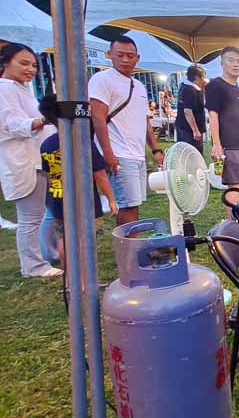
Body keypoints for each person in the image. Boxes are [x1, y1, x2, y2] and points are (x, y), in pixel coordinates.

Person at [88, 36, 165, 226]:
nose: (125, 60)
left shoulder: (138, 86)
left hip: (137, 154)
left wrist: (155, 149)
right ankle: (127, 250)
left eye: (130, 56)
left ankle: (131, 246)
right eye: (120, 55)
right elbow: (97, 117)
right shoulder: (101, 79)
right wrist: (108, 154)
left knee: (134, 203)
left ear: (137, 58)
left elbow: (144, 118)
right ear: (109, 55)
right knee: (127, 206)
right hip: (119, 153)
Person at [0, 42, 61, 278]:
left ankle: (49, 254)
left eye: (34, 65)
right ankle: (33, 266)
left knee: (48, 212)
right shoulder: (4, 89)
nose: (31, 69)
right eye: (24, 63)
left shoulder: (21, 89)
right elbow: (10, 124)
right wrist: (43, 120)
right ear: (6, 62)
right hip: (23, 161)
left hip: (39, 159)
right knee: (29, 217)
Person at [39, 93, 117, 273]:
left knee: (64, 238)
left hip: (58, 199)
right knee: (85, 239)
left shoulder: (46, 144)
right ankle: (84, 278)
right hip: (84, 199)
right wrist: (111, 199)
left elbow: (48, 175)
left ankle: (69, 280)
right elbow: (99, 174)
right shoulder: (82, 142)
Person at [206, 46, 239, 186]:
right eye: (231, 60)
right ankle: (232, 209)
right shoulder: (215, 85)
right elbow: (213, 115)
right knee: (234, 185)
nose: (236, 64)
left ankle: (238, 209)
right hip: (228, 145)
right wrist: (217, 144)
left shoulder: (238, 88)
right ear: (222, 63)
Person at [175, 65, 207, 146]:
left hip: (183, 128)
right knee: (193, 154)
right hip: (189, 131)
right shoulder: (190, 90)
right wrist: (195, 130)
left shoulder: (184, 87)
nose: (204, 80)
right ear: (197, 77)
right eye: (203, 77)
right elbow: (187, 111)